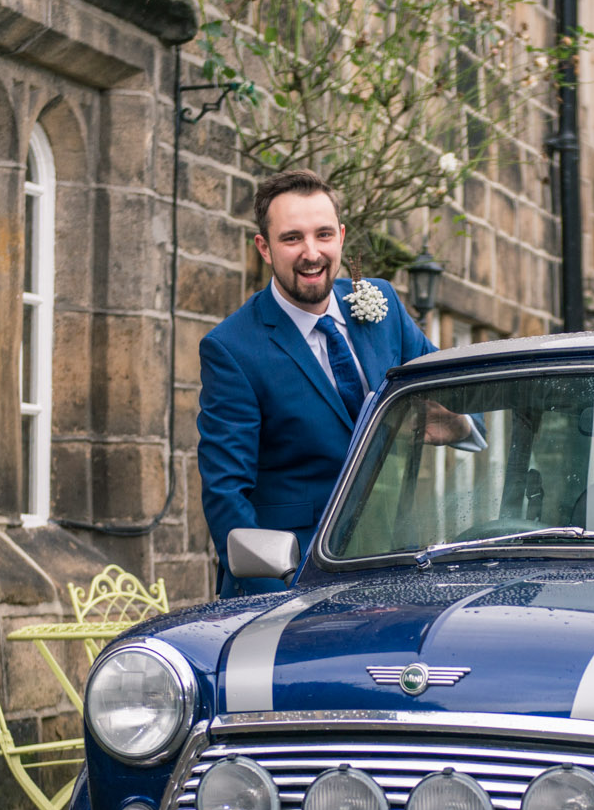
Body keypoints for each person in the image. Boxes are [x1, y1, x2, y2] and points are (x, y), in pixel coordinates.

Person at [198, 169, 470, 596]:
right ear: (264, 248)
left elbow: (456, 386)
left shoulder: (383, 308)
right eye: (292, 238)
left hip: (396, 564)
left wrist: (460, 425)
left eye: (323, 235)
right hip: (295, 577)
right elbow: (225, 492)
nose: (312, 253)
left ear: (341, 236)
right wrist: (272, 594)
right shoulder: (232, 348)